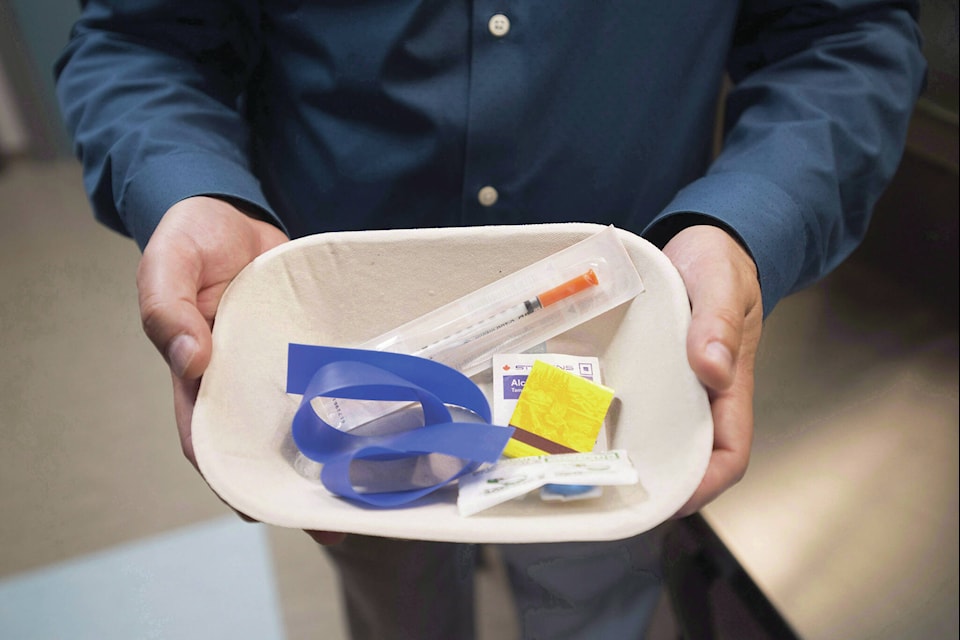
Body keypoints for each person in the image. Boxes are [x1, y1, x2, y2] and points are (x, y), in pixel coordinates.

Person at [55, 2, 926, 638]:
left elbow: (842, 35)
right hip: (347, 362)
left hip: (614, 359)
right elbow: (141, 41)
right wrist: (192, 187)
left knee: (590, 591)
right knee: (396, 600)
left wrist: (745, 224)